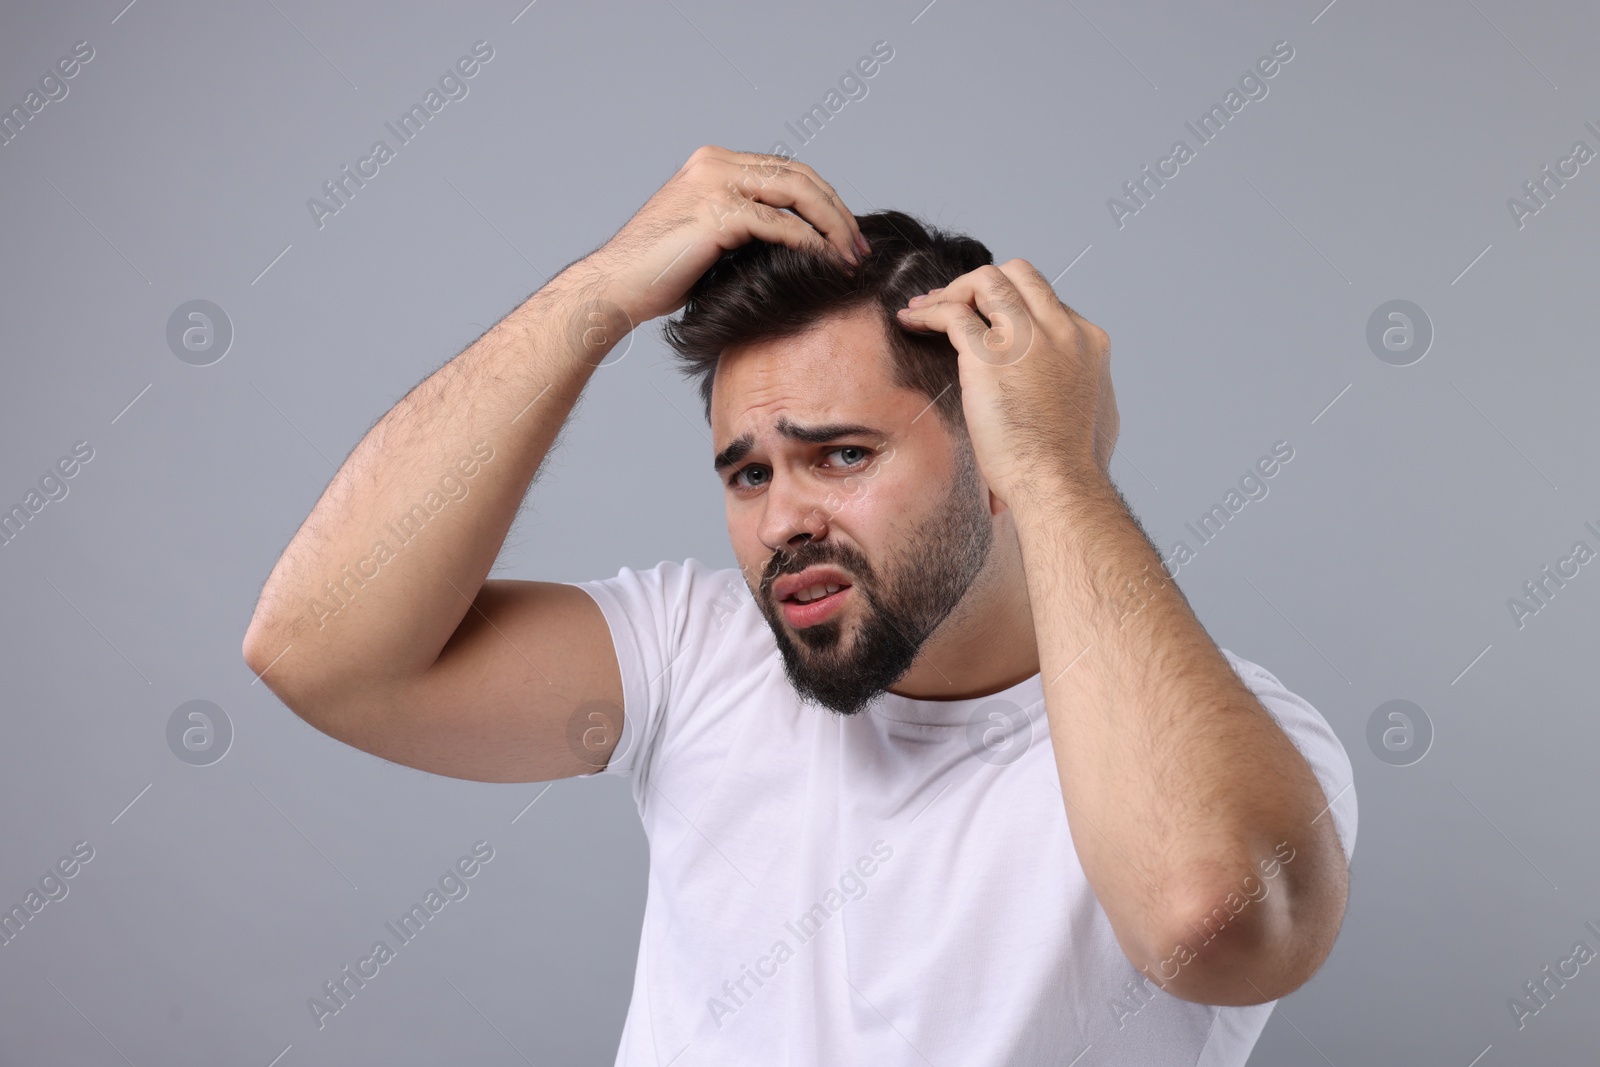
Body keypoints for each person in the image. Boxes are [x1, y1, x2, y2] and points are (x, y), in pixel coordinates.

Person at [243, 145, 1356, 1065]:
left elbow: (1211, 920)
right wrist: (598, 294)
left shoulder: (1237, 739)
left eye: (842, 454)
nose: (781, 521)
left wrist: (1063, 471)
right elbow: (323, 650)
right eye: (749, 473)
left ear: (992, 445)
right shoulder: (696, 652)